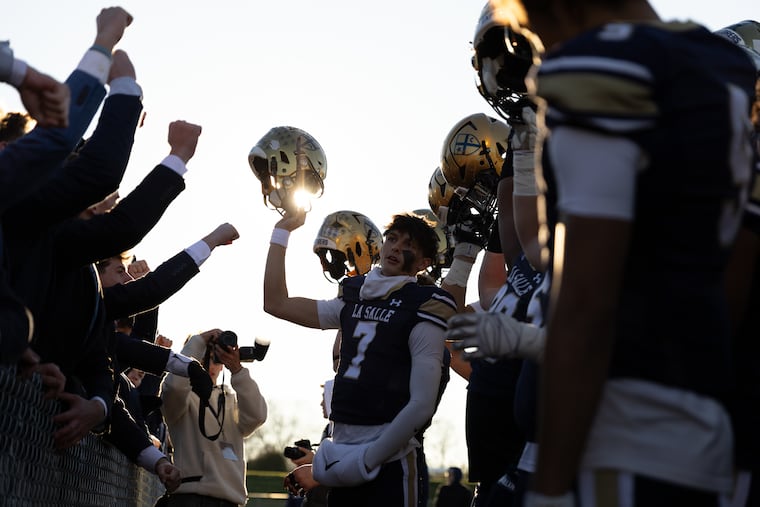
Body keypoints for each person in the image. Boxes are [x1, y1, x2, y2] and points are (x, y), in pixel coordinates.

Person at [450, 1, 756, 506]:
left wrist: (549, 486)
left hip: (614, 439)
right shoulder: (721, 65)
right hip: (698, 428)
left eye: (531, 22)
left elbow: (586, 301)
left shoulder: (601, 67)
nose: (538, 49)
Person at [264, 210, 456, 507]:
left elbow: (421, 405)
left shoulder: (424, 305)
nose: (395, 247)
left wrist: (369, 457)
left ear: (423, 263)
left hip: (391, 457)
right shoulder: (353, 297)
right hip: (341, 447)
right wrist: (281, 232)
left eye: (408, 245)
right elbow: (276, 303)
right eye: (392, 239)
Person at [160, 329, 268, 507]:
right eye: (202, 358)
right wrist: (198, 342)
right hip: (190, 498)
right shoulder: (182, 400)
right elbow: (174, 388)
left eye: (216, 358)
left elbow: (257, 416)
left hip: (230, 500)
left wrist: (237, 370)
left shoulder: (230, 398)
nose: (210, 365)